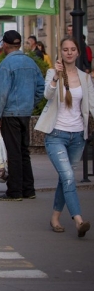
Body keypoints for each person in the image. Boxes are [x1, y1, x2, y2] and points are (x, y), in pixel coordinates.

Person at [34, 37, 92, 238]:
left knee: (64, 179)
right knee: (68, 177)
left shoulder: (85, 78)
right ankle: (79, 220)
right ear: (61, 52)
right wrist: (56, 77)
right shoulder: (53, 73)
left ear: (78, 52)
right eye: (65, 49)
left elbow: (91, 106)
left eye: (72, 49)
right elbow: (47, 96)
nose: (69, 52)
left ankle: (55, 218)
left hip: (77, 136)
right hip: (56, 135)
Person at [0, 30, 45, 201]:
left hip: (10, 113)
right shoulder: (31, 62)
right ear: (19, 44)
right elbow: (41, 88)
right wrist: (30, 104)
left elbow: (0, 94)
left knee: (13, 152)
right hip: (25, 112)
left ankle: (15, 191)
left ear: (5, 45)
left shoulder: (6, 65)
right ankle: (29, 189)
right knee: (23, 151)